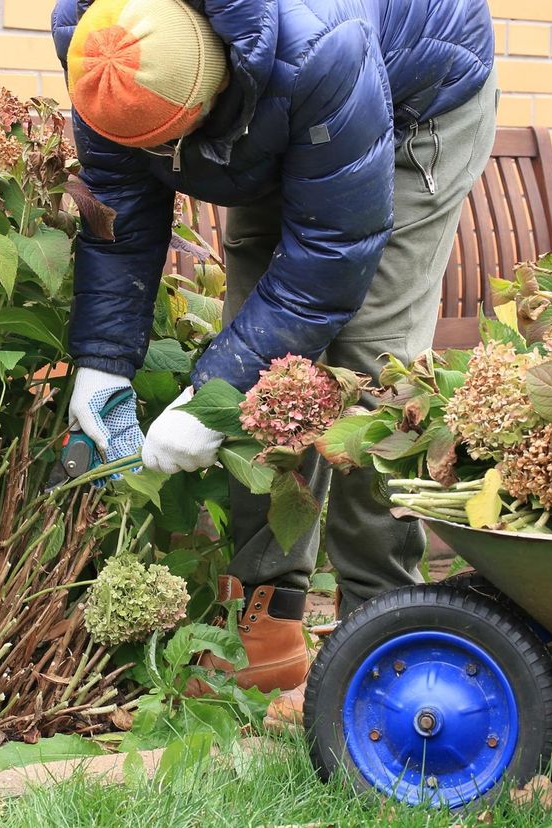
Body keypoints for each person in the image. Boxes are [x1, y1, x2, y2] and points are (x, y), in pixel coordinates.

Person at [53, 0, 498, 697]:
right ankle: (268, 618)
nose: (170, 165)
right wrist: (101, 363)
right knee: (252, 366)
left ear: (220, 84)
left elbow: (331, 255)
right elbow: (120, 207)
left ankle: (381, 626)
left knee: (370, 366)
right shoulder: (101, 50)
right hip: (272, 111)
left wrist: (206, 397)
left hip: (416, 101)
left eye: (177, 145)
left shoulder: (321, 47)